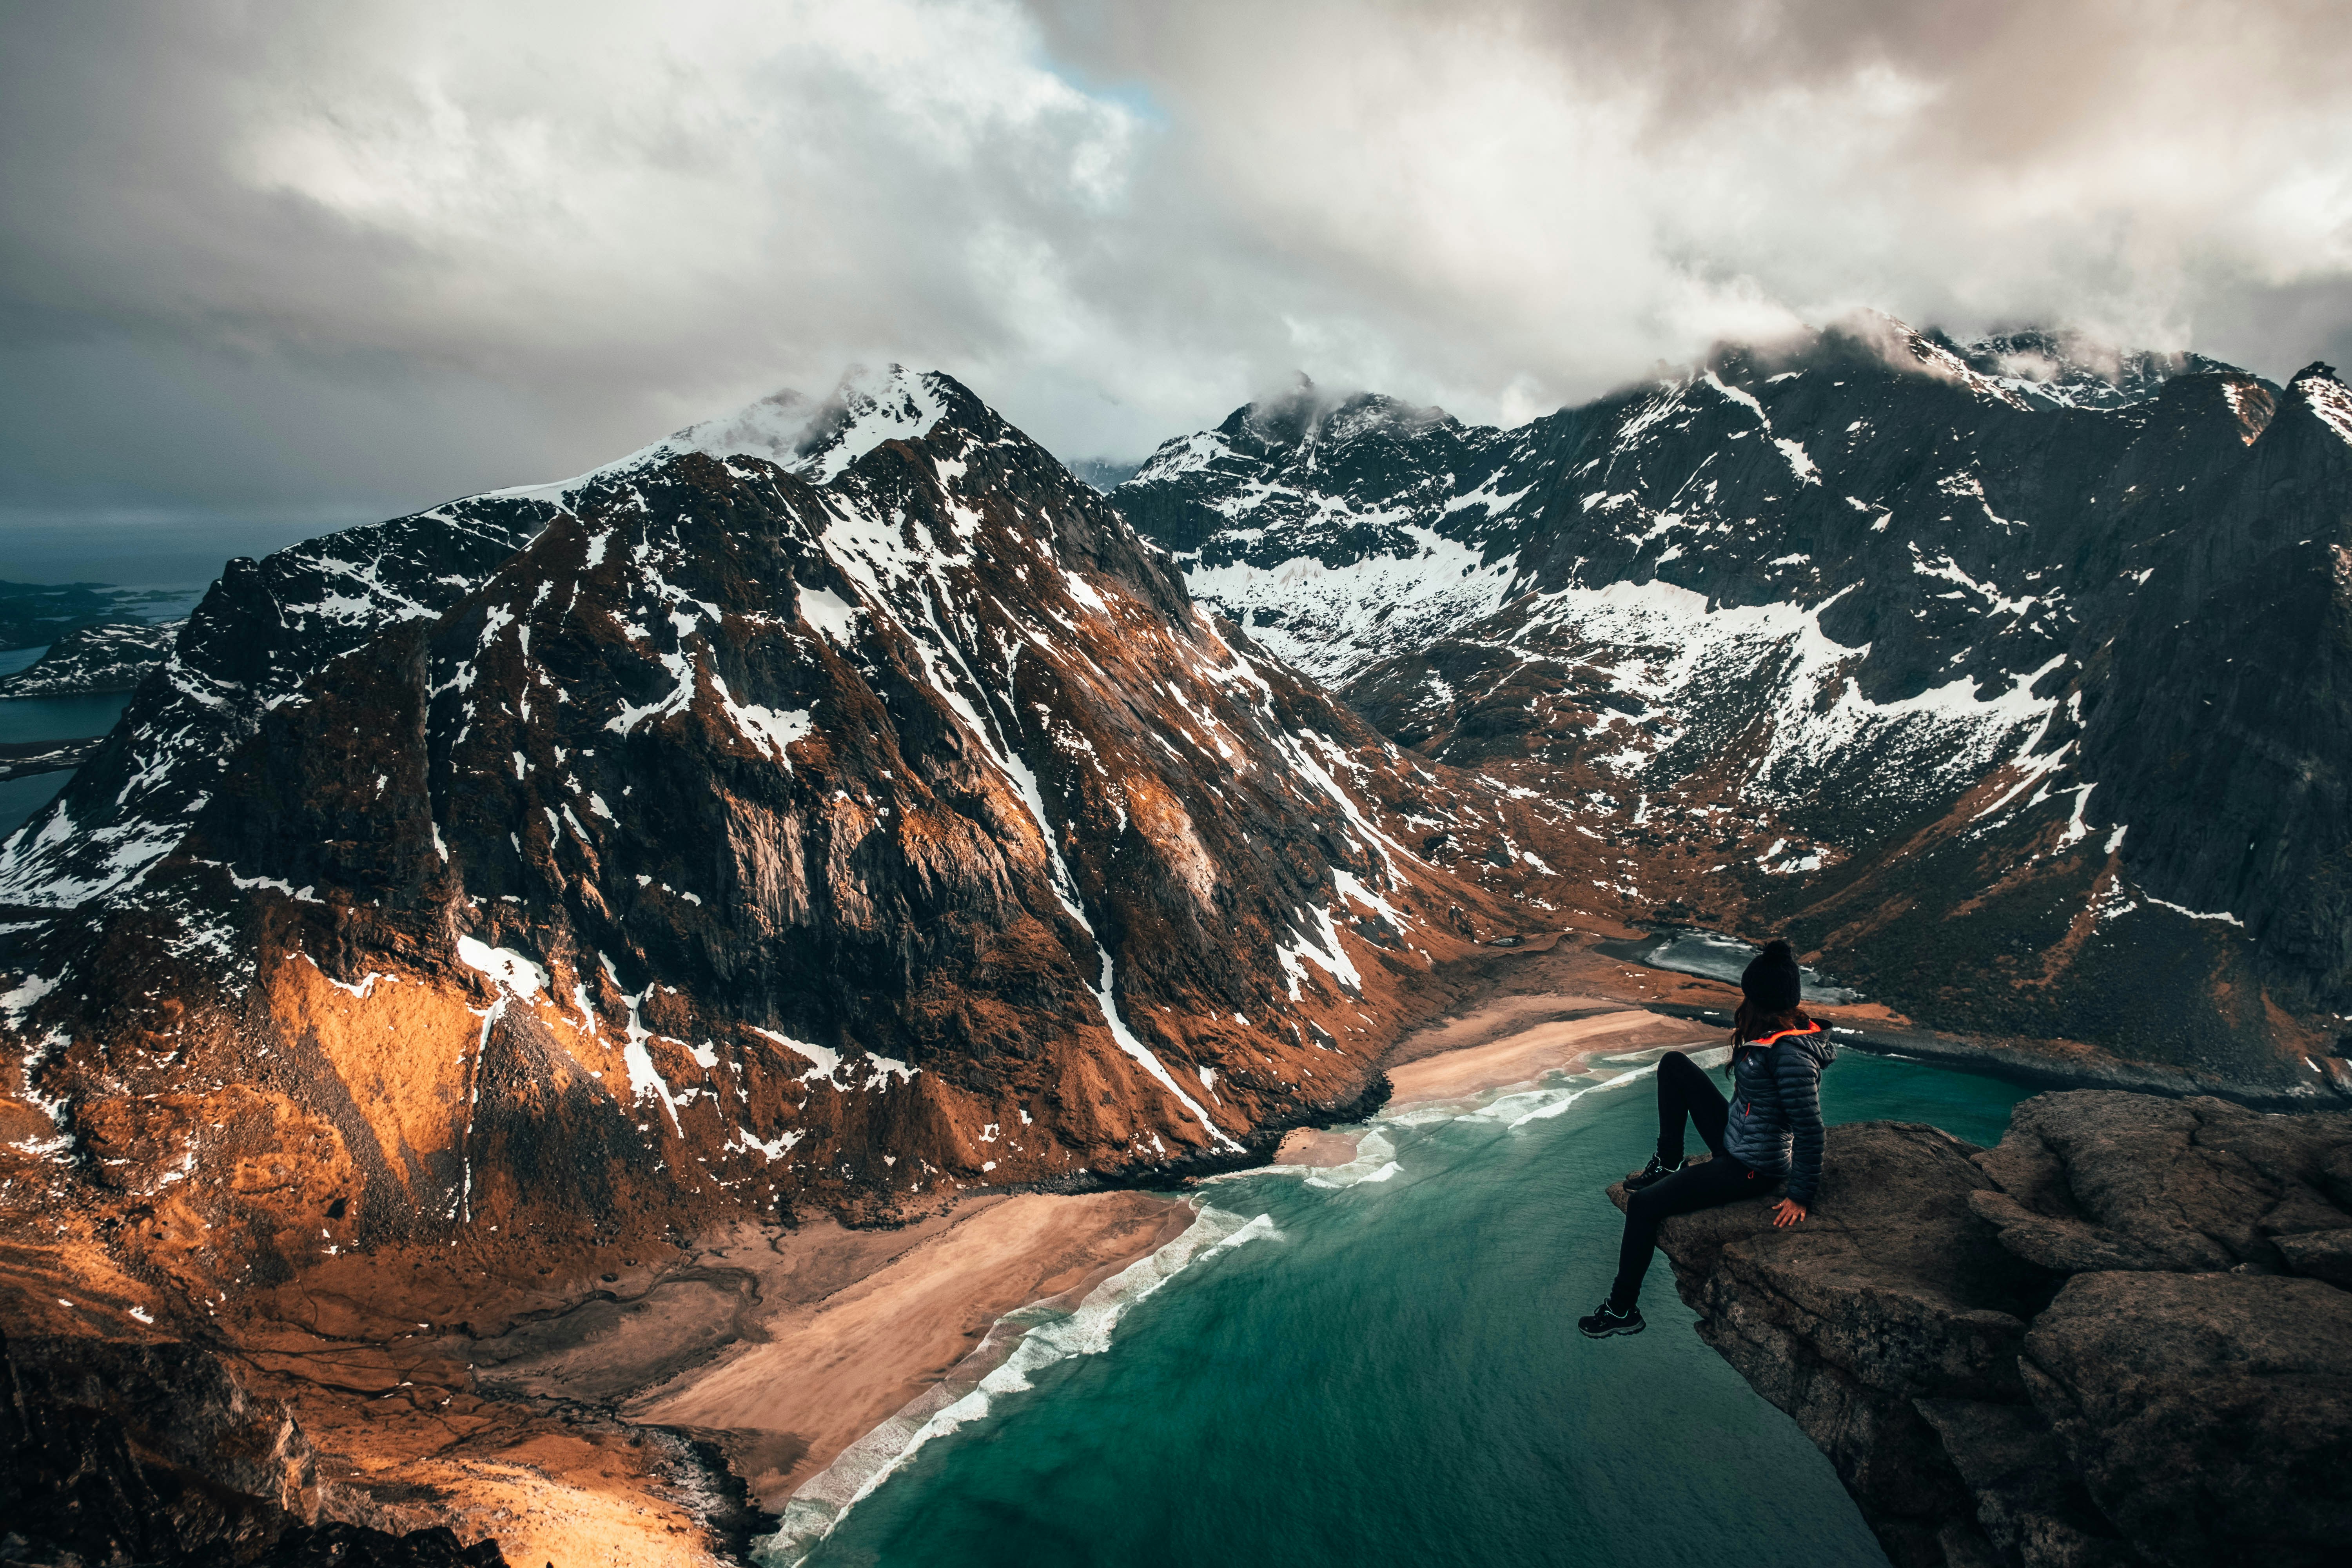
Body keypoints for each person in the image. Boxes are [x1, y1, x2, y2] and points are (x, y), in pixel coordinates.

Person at [1577, 938, 1835, 1339]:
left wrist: (1801, 1194)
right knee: (1674, 1064)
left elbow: (1810, 1127)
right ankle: (1669, 1161)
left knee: (1644, 1205)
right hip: (1735, 1140)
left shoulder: (1790, 1055)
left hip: (1751, 1168)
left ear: (1760, 999)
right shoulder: (1772, 1035)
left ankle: (1622, 1308)